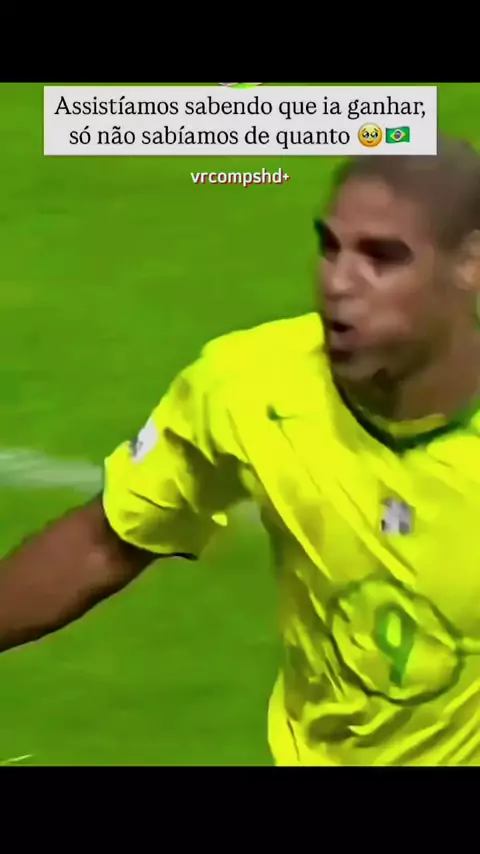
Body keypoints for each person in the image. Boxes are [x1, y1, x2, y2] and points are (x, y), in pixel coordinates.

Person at [2, 135, 480, 766]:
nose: (338, 283)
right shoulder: (252, 386)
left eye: (382, 258)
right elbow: (105, 541)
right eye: (330, 247)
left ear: (470, 265)